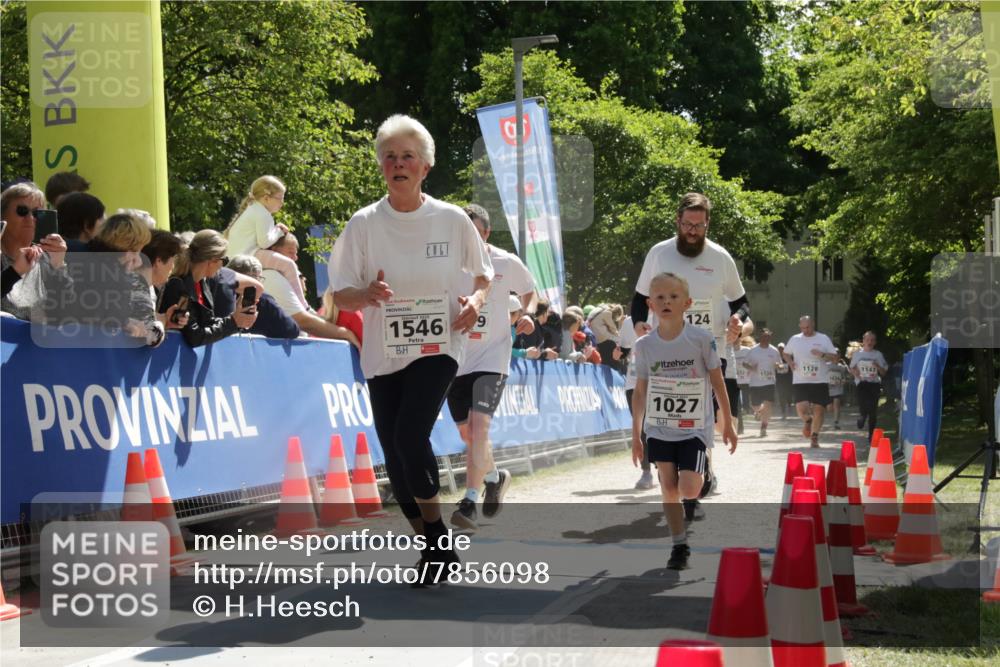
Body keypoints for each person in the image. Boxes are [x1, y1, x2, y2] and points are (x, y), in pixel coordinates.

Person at [329, 114, 493, 585]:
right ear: (381, 166)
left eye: (408, 157)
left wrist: (476, 302)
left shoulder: (450, 218)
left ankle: (437, 541)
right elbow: (341, 295)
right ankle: (432, 544)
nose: (398, 164)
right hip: (384, 351)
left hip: (440, 342)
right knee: (394, 453)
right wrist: (367, 297)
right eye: (390, 157)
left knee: (409, 436)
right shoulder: (363, 224)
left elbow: (483, 274)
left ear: (425, 167)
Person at [630, 192, 750, 516]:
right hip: (665, 350)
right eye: (687, 225)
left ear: (707, 223)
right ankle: (676, 482)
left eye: (699, 225)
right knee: (669, 416)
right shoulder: (659, 253)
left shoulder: (720, 257)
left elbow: (741, 301)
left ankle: (700, 465)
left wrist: (740, 320)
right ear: (678, 222)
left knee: (704, 417)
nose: (693, 231)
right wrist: (640, 322)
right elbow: (639, 298)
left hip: (710, 348)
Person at [630, 272, 737, 570]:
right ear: (650, 304)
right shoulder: (645, 345)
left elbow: (717, 382)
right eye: (660, 297)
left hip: (693, 428)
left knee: (688, 489)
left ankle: (703, 479)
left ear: (687, 303)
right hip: (660, 427)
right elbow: (640, 391)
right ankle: (679, 546)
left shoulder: (700, 340)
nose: (666, 302)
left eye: (673, 297)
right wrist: (636, 435)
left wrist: (727, 422)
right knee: (667, 487)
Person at [447, 204, 536, 532]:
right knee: (468, 435)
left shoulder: (505, 261)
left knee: (479, 427)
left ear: (485, 233)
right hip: (454, 359)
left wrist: (527, 312)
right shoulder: (445, 261)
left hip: (493, 358)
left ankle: (469, 501)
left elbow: (530, 291)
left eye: (472, 231)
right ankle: (496, 478)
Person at [159, 229, 259, 347]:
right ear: (212, 260)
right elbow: (194, 336)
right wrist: (233, 322)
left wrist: (237, 318)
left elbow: (208, 323)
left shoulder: (203, 284)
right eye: (224, 260)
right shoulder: (178, 285)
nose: (223, 266)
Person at [224, 176, 309, 311]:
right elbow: (264, 242)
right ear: (266, 198)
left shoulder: (253, 209)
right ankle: (304, 306)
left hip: (237, 256)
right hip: (248, 255)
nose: (282, 203)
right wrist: (279, 230)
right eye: (280, 198)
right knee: (288, 264)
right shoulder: (263, 213)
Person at [1, 182, 70, 320]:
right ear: (3, 216)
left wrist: (58, 266)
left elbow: (66, 312)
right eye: (22, 211)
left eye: (37, 213)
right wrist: (15, 272)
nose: (30, 218)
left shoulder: (44, 258)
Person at [782, 315, 839, 447]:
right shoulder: (795, 339)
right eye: (802, 328)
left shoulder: (823, 338)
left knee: (819, 410)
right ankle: (808, 421)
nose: (805, 330)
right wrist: (790, 362)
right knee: (801, 409)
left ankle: (815, 436)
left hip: (820, 381)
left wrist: (822, 355)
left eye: (807, 327)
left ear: (813, 324)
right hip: (800, 380)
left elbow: (835, 358)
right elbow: (785, 353)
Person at [226, 255, 301, 339]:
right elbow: (291, 330)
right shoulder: (263, 300)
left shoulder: (214, 292)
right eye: (260, 278)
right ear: (256, 278)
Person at [849, 331, 888, 443]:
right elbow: (852, 368)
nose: (869, 342)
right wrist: (855, 372)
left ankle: (871, 434)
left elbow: (884, 372)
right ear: (863, 341)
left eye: (872, 340)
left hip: (874, 384)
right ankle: (862, 417)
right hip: (861, 382)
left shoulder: (878, 355)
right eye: (867, 340)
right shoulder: (857, 354)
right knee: (863, 404)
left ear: (875, 342)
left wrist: (877, 366)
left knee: (873, 410)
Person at [743, 328, 781, 437]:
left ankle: (764, 427)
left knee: (768, 405)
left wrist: (779, 366)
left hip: (769, 382)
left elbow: (779, 364)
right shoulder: (753, 350)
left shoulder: (774, 351)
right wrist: (752, 368)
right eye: (764, 337)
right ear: (760, 337)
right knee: (755, 405)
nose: (766, 339)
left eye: (768, 337)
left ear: (770, 337)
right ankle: (758, 411)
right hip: (755, 383)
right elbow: (745, 364)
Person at [827, 351, 848, 430]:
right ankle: (834, 417)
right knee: (829, 408)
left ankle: (836, 421)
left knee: (837, 404)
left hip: (838, 388)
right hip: (828, 389)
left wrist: (843, 381)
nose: (836, 357)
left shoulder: (842, 367)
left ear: (839, 357)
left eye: (837, 356)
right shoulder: (826, 365)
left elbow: (844, 377)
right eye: (834, 355)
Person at [775, 342, 793, 419]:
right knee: (781, 395)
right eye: (779, 348)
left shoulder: (788, 357)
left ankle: (789, 404)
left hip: (788, 379)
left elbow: (793, 365)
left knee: (788, 394)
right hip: (779, 379)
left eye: (782, 348)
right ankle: (783, 413)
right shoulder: (775, 357)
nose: (781, 350)